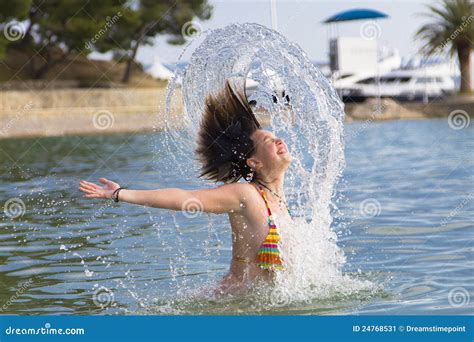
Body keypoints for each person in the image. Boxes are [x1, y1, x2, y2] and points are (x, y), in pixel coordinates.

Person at [79, 81, 293, 295]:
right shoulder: (246, 195)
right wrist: (120, 193)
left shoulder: (279, 200)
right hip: (229, 304)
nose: (278, 140)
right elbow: (185, 197)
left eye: (275, 137)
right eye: (268, 140)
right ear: (254, 163)